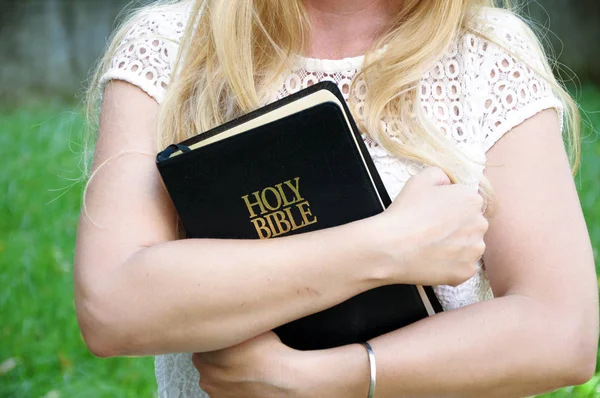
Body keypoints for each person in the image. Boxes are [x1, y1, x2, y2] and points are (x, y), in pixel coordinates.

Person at [74, 0, 598, 397]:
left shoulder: (485, 51)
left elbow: (562, 331)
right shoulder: (171, 42)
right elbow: (113, 304)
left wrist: (329, 379)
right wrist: (385, 247)